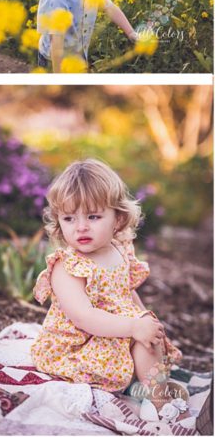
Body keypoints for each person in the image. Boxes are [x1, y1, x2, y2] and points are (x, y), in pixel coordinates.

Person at [31, 159, 184, 410]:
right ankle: (160, 405)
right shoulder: (66, 266)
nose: (81, 226)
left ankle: (150, 388)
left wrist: (145, 320)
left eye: (93, 216)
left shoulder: (119, 249)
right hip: (82, 343)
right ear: (58, 222)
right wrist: (133, 327)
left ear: (118, 218)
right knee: (140, 339)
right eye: (69, 218)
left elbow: (127, 291)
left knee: (149, 339)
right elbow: (83, 317)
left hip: (117, 329)